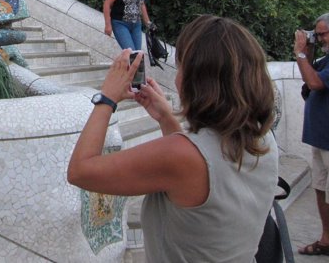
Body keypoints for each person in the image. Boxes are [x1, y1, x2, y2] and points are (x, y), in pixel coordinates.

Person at [68, 15, 279, 262]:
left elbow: (80, 171)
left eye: (181, 68)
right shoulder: (262, 139)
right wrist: (167, 119)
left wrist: (107, 99)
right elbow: (197, 179)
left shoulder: (182, 156)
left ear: (196, 81)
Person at [294, 12, 329, 260]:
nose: (319, 38)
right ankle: (328, 242)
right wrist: (310, 52)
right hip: (322, 138)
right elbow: (308, 80)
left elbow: (315, 83)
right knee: (322, 188)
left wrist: (301, 53)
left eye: (322, 34)